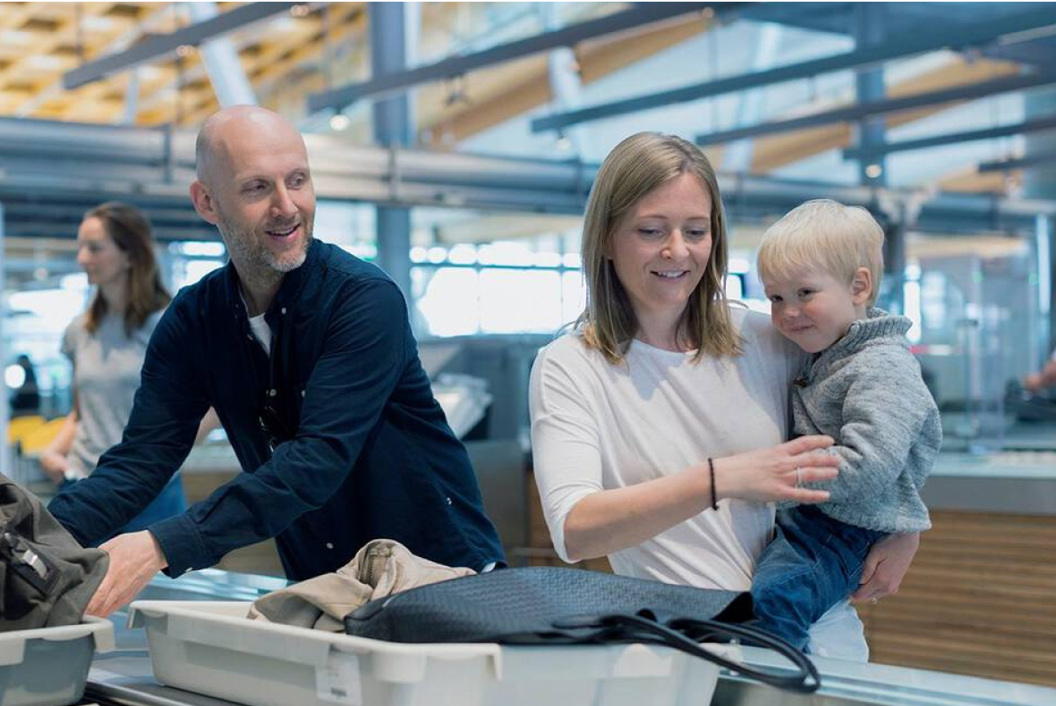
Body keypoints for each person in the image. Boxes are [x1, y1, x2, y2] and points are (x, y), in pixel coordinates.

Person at [48, 106, 504, 617]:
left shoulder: (363, 300)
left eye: (298, 181)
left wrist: (160, 545)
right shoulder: (195, 320)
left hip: (439, 579)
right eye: (257, 188)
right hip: (324, 588)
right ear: (207, 202)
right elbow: (140, 462)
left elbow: (315, 462)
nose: (287, 206)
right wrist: (31, 537)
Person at [529, 132, 920, 659]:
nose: (677, 251)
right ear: (605, 239)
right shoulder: (571, 366)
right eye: (650, 231)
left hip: (821, 641)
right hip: (685, 649)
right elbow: (575, 531)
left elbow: (888, 407)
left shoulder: (772, 336)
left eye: (696, 230)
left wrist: (904, 526)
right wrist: (720, 479)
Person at [749, 199, 942, 650]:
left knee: (776, 600)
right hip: (819, 517)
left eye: (805, 294)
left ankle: (783, 702)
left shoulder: (881, 366)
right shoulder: (828, 350)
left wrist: (775, 475)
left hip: (844, 526)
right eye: (776, 297)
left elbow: (868, 465)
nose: (788, 313)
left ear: (858, 287)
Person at [40, 203, 192, 532]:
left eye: (94, 248)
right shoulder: (80, 330)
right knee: (75, 583)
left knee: (156, 585)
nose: (82, 258)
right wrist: (52, 452)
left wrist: (160, 457)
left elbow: (209, 409)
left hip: (150, 491)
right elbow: (81, 413)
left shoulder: (169, 324)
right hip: (83, 487)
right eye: (80, 247)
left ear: (130, 255)